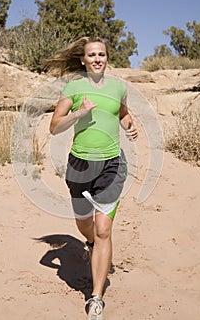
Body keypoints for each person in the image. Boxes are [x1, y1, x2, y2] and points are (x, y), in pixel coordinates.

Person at [47, 36, 138, 320]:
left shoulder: (118, 87)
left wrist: (129, 125)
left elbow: (122, 113)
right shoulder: (74, 87)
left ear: (106, 57)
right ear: (83, 60)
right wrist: (79, 113)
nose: (97, 58)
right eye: (92, 55)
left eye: (101, 54)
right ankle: (90, 245)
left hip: (112, 164)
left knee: (103, 231)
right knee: (84, 224)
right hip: (79, 166)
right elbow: (54, 127)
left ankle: (96, 298)